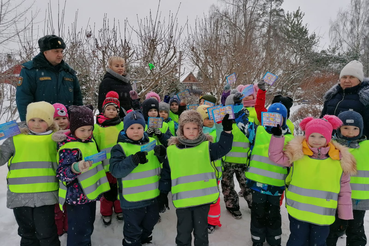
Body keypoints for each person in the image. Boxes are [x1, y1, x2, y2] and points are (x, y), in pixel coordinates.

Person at [268, 115, 356, 246]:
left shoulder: (340, 159)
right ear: (306, 136)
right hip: (298, 211)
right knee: (297, 241)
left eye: (321, 136)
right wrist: (277, 137)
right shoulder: (297, 154)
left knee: (318, 243)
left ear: (328, 137)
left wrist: (344, 216)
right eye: (312, 136)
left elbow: (345, 190)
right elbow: (275, 157)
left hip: (323, 215)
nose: (316, 140)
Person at [159, 110, 233, 246]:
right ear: (181, 129)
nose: (191, 131)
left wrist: (227, 131)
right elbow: (166, 174)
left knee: (201, 233)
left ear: (200, 129)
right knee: (183, 232)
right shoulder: (173, 150)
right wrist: (163, 193)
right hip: (183, 201)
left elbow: (223, 147)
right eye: (188, 128)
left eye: (195, 128)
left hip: (202, 199)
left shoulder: (206, 147)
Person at [0, 101, 60, 245]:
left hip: (45, 196)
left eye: (42, 120)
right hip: (19, 195)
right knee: (27, 233)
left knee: (47, 233)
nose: (36, 124)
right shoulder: (16, 138)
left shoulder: (55, 139)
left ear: (50, 122)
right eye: (32, 120)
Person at [109, 111, 167, 246]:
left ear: (144, 128)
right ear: (125, 129)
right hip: (132, 200)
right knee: (133, 229)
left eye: (139, 128)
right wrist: (133, 160)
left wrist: (161, 155)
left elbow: (161, 165)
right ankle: (132, 242)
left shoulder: (152, 143)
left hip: (152, 196)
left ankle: (144, 239)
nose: (136, 131)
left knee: (150, 223)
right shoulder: (120, 147)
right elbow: (116, 170)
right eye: (132, 128)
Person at [56, 105, 110, 246]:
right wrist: (75, 168)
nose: (87, 133)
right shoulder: (69, 148)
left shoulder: (89, 142)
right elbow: (62, 173)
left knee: (87, 227)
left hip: (89, 196)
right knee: (78, 231)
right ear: (73, 129)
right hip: (76, 198)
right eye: (82, 130)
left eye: (90, 129)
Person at [246, 103, 293, 246]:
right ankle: (257, 238)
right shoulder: (257, 131)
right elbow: (241, 124)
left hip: (276, 185)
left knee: (273, 213)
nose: (276, 121)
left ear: (285, 119)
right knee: (258, 211)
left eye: (280, 118)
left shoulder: (290, 137)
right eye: (272, 117)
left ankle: (274, 238)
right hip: (257, 183)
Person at [16, 35, 83, 122]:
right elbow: (23, 99)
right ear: (45, 52)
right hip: (41, 125)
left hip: (65, 124)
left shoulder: (68, 72)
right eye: (56, 51)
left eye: (61, 51)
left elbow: (77, 100)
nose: (60, 55)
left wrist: (79, 122)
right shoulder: (30, 71)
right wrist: (28, 123)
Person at [326, 111, 368, 246]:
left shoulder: (366, 147)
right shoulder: (332, 146)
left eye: (355, 129)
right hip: (336, 197)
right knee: (333, 228)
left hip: (358, 199)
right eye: (346, 128)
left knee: (356, 229)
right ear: (339, 129)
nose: (351, 132)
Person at [221, 94, 254, 219]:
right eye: (233, 104)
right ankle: (232, 206)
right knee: (228, 187)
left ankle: (253, 205)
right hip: (226, 161)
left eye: (238, 104)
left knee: (247, 186)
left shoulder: (246, 120)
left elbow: (252, 138)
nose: (236, 107)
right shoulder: (223, 120)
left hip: (243, 161)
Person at [94, 91, 124, 225]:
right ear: (103, 111)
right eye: (108, 109)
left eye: (114, 109)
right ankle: (106, 212)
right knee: (106, 192)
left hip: (119, 165)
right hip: (104, 167)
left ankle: (119, 210)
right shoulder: (98, 128)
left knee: (119, 189)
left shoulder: (122, 125)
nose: (111, 112)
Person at [321, 60, 369, 137]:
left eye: (352, 77)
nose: (347, 80)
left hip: (354, 144)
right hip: (329, 143)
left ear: (359, 80)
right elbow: (322, 119)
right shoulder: (332, 96)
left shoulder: (365, 99)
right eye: (344, 77)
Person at [197, 105, 223, 233]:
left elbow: (221, 133)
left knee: (213, 198)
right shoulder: (195, 133)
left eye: (212, 118)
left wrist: (219, 123)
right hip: (200, 173)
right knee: (201, 198)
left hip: (214, 172)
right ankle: (200, 218)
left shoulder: (216, 131)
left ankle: (212, 221)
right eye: (207, 118)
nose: (210, 120)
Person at [52, 103, 70, 236]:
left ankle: (69, 226)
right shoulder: (48, 136)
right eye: (57, 119)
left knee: (68, 204)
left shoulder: (73, 133)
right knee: (57, 205)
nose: (61, 122)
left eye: (63, 118)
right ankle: (58, 228)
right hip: (53, 174)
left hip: (68, 174)